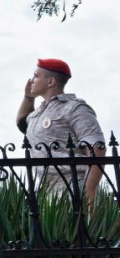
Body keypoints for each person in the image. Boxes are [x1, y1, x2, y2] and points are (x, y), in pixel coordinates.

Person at [16, 58, 106, 201]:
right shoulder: (38, 114)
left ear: (50, 81)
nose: (31, 80)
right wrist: (28, 97)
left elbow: (97, 149)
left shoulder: (75, 108)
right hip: (45, 191)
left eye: (36, 76)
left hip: (73, 187)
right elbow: (22, 123)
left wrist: (89, 193)